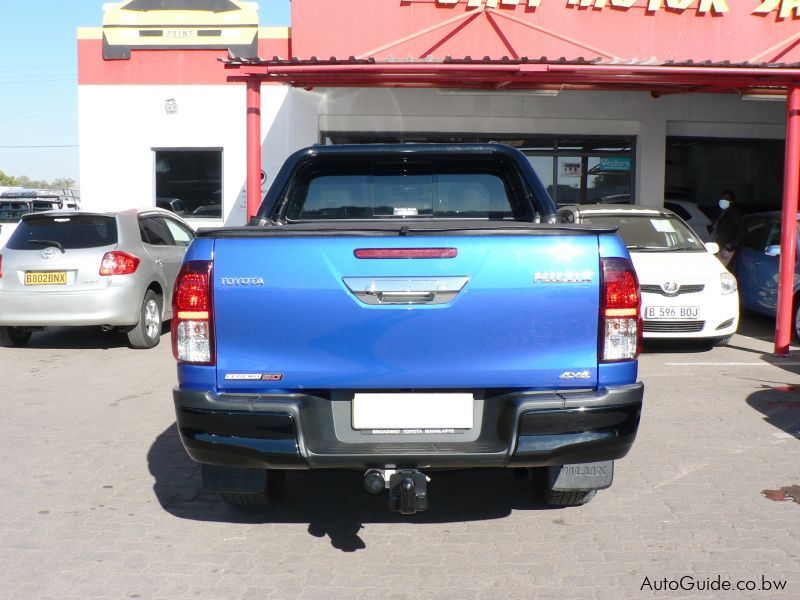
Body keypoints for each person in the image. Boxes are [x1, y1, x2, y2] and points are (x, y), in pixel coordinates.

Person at [712, 189, 746, 268]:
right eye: (722, 199)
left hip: (727, 249)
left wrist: (730, 244)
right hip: (719, 247)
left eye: (726, 200)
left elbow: (743, 232)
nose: (723, 201)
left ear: (731, 202)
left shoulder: (734, 214)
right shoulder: (721, 213)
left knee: (725, 269)